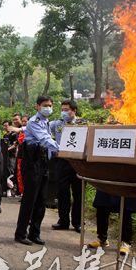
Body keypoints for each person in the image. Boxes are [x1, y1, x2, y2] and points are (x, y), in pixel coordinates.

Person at [14, 96, 59, 246]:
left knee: (41, 200)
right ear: (37, 106)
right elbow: (45, 139)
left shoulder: (46, 122)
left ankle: (35, 233)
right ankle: (21, 233)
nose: (48, 108)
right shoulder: (34, 122)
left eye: (50, 105)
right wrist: (63, 149)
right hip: (32, 163)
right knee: (29, 200)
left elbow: (47, 144)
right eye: (45, 105)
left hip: (43, 162)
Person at [49, 99, 82, 233]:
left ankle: (77, 222)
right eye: (62, 110)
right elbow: (43, 129)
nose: (63, 112)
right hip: (61, 162)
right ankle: (63, 221)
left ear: (74, 111)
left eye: (66, 110)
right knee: (62, 193)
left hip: (78, 163)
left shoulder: (82, 124)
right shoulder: (57, 124)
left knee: (78, 193)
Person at [87, 190, 136, 256]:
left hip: (125, 186)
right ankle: (102, 239)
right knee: (102, 206)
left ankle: (126, 242)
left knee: (125, 210)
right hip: (107, 185)